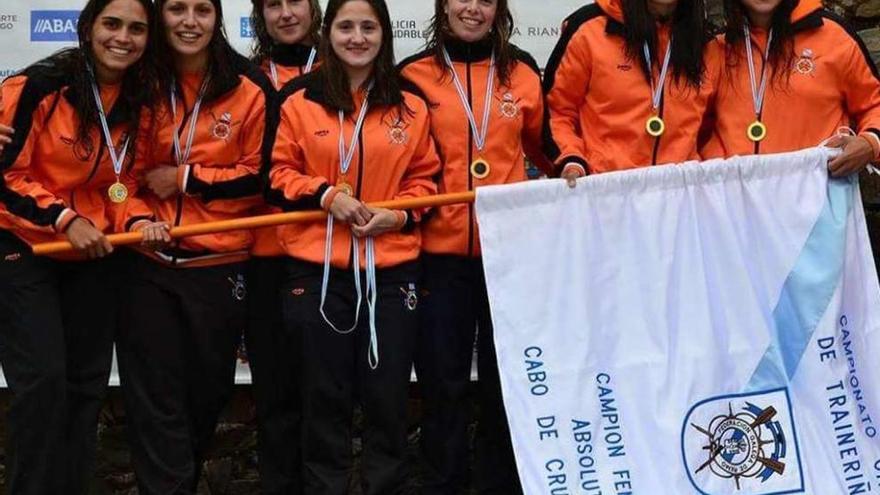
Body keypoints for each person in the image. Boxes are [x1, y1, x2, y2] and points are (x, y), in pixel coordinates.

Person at [266, 0, 441, 492]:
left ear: (384, 34)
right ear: (329, 33)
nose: (357, 37)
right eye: (346, 27)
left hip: (390, 270)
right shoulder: (299, 98)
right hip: (316, 270)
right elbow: (275, 174)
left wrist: (398, 215)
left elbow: (429, 182)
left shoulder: (410, 102)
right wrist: (323, 196)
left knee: (387, 399)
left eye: (368, 27)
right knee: (323, 398)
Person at [113, 0, 271, 492]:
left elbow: (263, 177)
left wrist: (187, 179)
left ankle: (179, 478)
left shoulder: (250, 86)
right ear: (160, 17)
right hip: (148, 262)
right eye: (177, 8)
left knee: (207, 393)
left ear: (217, 19)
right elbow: (115, 179)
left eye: (202, 10)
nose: (189, 21)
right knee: (154, 400)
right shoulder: (137, 82)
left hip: (218, 264)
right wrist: (136, 216)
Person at [0, 0, 155, 492]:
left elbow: (123, 183)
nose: (123, 37)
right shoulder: (39, 84)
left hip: (92, 251)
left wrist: (140, 218)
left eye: (136, 28)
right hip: (24, 244)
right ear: (88, 28)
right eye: (112, 24)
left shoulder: (141, 96)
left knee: (86, 385)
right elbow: (6, 174)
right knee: (42, 382)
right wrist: (64, 218)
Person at [397, 0, 550, 492]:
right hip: (437, 256)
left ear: (498, 10)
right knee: (443, 383)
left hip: (508, 258)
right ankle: (445, 482)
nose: (473, 8)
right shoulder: (412, 75)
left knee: (505, 385)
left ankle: (500, 484)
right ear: (442, 8)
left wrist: (571, 163)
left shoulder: (523, 72)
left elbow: (545, 148)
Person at [247, 0, 322, 492]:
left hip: (324, 254)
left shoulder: (343, 73)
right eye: (273, 4)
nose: (286, 13)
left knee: (323, 390)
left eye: (296, 1)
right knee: (274, 393)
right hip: (263, 256)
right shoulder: (243, 78)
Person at [545, 0, 719, 185]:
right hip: (606, 191)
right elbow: (556, 110)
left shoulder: (706, 42)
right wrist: (571, 158)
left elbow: (713, 125)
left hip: (679, 196)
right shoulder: (590, 27)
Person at [699, 0, 880, 177]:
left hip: (815, 199)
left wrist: (872, 142)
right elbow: (689, 125)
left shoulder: (834, 37)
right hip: (731, 201)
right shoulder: (717, 47)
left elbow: (875, 103)